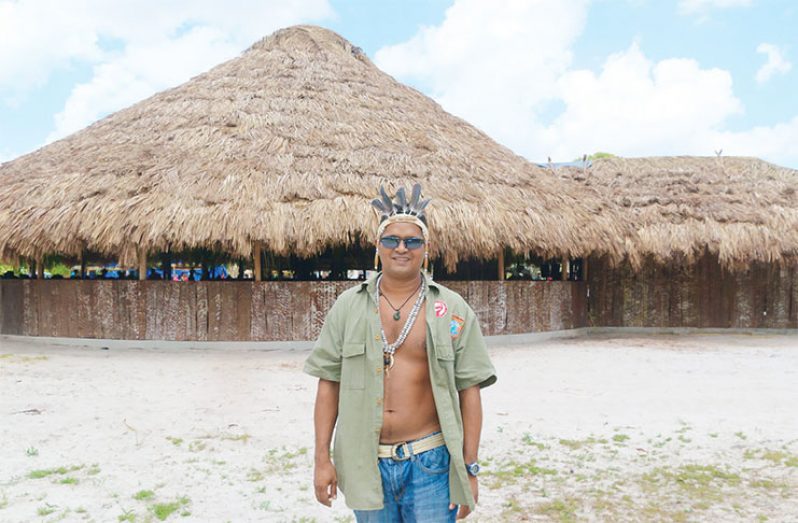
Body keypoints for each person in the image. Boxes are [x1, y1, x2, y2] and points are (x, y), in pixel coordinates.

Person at [304, 184, 496, 521]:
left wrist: (469, 467)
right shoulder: (348, 307)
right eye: (391, 240)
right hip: (366, 461)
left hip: (431, 463)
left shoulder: (452, 308)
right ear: (377, 246)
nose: (402, 248)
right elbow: (328, 384)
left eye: (413, 241)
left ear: (427, 248)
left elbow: (470, 390)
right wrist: (322, 458)